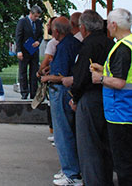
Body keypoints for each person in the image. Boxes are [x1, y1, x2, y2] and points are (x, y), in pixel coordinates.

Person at [91, 8, 132, 186]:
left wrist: (100, 78)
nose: (107, 27)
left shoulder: (123, 47)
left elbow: (120, 82)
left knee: (124, 164)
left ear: (113, 25)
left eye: (108, 24)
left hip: (121, 110)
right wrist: (105, 70)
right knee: (130, 161)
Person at [70, 9, 113, 186]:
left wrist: (74, 96)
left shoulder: (88, 45)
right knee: (105, 145)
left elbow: (81, 76)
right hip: (109, 95)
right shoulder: (110, 43)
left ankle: (93, 181)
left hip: (90, 96)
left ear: (84, 27)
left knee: (88, 146)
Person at [41, 17, 82, 186]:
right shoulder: (72, 43)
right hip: (65, 92)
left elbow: (63, 75)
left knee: (63, 133)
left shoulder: (64, 46)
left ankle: (71, 172)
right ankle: (69, 168)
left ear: (57, 31)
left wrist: (47, 77)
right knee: (66, 131)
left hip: (61, 92)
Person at [15, 5, 43, 99]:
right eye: (35, 16)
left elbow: (41, 35)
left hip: (34, 50)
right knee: (23, 72)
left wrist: (38, 41)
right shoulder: (23, 22)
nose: (36, 18)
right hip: (24, 50)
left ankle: (33, 92)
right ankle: (24, 92)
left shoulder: (38, 23)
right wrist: (18, 50)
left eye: (38, 16)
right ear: (31, 14)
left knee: (34, 71)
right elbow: (18, 36)